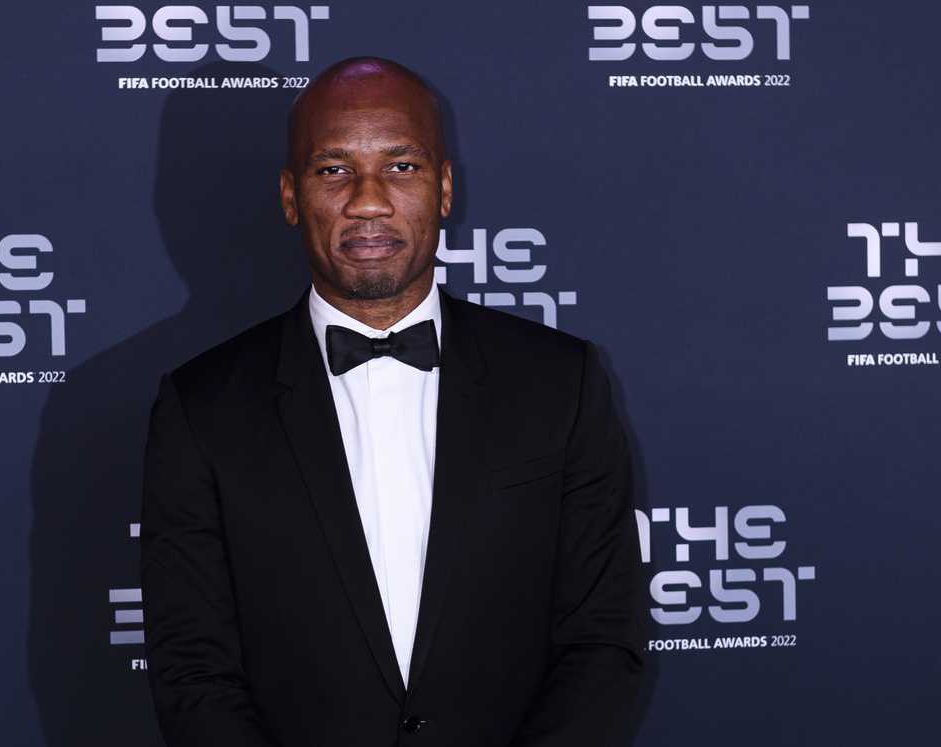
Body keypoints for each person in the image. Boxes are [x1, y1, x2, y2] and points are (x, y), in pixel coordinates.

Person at [140, 56, 646, 747]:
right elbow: (192, 670)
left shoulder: (562, 382)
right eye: (333, 169)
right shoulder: (201, 409)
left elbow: (602, 639)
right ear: (291, 197)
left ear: (443, 188)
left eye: (402, 167)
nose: (368, 200)